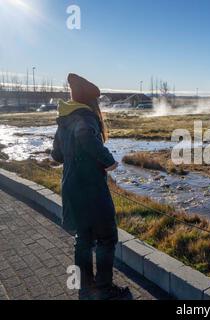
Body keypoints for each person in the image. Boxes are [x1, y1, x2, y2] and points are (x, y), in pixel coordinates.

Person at [51, 73, 129, 300]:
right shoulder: (85, 116)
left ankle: (87, 285)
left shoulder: (64, 118)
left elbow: (56, 155)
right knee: (107, 238)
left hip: (72, 188)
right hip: (91, 190)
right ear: (90, 100)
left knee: (83, 238)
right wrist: (109, 161)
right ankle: (104, 289)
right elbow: (85, 135)